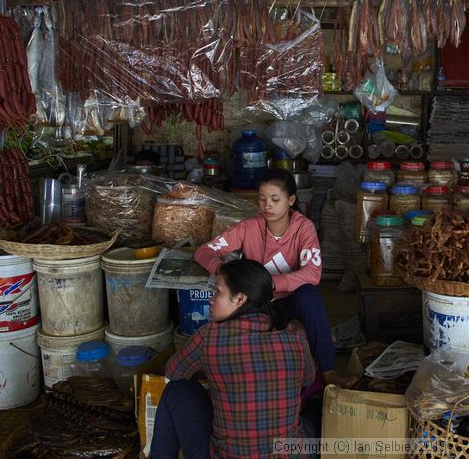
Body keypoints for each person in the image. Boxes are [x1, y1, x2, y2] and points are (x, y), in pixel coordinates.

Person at [194, 167, 355, 388]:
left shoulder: (303, 228)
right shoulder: (248, 227)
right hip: (258, 302)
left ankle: (328, 371)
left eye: (275, 199)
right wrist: (223, 270)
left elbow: (313, 273)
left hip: (290, 300)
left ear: (291, 200)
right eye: (262, 199)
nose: (267, 205)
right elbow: (203, 251)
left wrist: (271, 283)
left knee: (310, 296)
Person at [150, 259, 316, 459]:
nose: (211, 299)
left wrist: (213, 374)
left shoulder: (210, 335)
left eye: (218, 291)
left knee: (176, 390)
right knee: (311, 414)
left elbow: (173, 372)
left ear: (240, 298)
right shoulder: (295, 336)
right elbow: (308, 379)